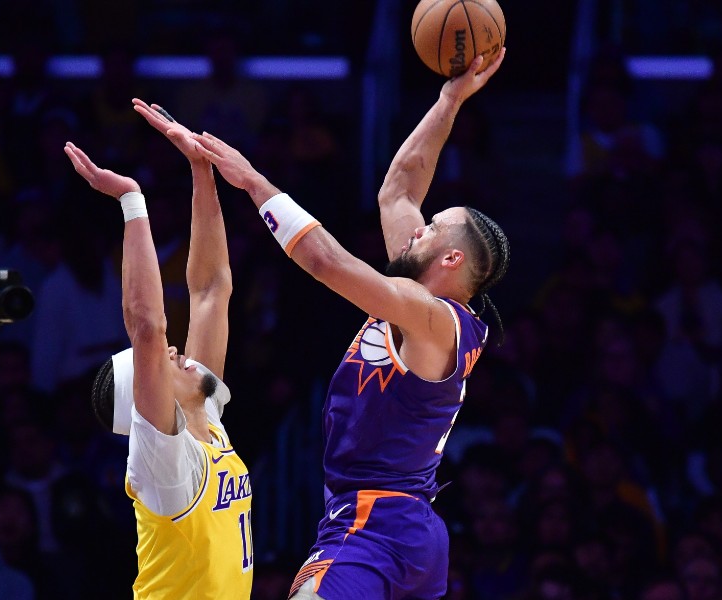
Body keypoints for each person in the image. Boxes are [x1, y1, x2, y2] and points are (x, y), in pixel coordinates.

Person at [190, 50, 511, 599]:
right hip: (402, 527)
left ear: (452, 261)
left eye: (432, 228)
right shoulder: (418, 301)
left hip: (373, 525)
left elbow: (326, 263)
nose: (418, 228)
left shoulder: (434, 317)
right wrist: (449, 101)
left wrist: (253, 183)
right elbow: (400, 190)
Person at [65, 98, 252, 599]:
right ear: (148, 399)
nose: (175, 351)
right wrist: (131, 200)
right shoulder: (160, 460)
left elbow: (212, 288)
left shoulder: (204, 416)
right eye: (164, 358)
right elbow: (147, 327)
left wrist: (200, 168)